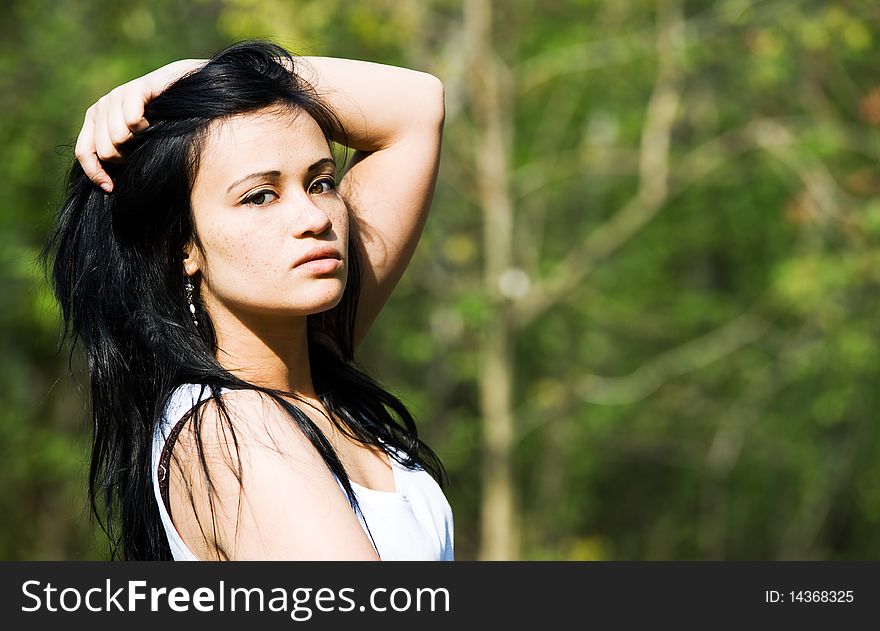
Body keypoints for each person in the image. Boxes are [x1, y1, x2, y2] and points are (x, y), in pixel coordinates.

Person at [43, 40, 452, 561]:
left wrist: (203, 75)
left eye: (321, 182)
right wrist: (217, 80)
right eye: (261, 195)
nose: (314, 218)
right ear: (181, 247)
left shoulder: (316, 367)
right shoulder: (232, 429)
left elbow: (416, 106)